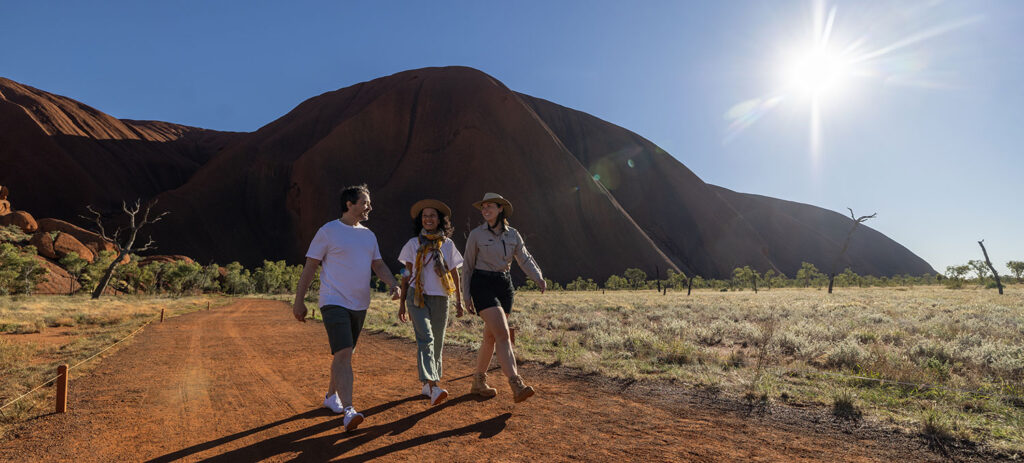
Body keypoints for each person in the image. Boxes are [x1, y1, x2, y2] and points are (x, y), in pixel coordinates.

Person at [293, 184, 400, 432]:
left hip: (360, 303)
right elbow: (310, 267)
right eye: (364, 202)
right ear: (349, 204)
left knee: (345, 354)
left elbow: (379, 265)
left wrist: (393, 283)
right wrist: (299, 300)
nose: (369, 207)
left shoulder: (368, 235)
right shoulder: (328, 231)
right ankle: (349, 410)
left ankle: (331, 396)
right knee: (343, 354)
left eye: (368, 202)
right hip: (334, 301)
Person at [462, 192, 545, 403]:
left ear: (501, 209)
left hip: (504, 286)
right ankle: (516, 384)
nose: (485, 209)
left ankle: (478, 382)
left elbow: (524, 258)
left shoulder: (513, 235)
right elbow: (468, 266)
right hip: (482, 284)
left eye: (490, 206)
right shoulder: (476, 235)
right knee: (502, 333)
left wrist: (538, 277)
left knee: (490, 336)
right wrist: (465, 295)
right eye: (483, 207)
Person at [396, 199, 465, 406]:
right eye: (425, 216)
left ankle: (427, 383)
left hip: (441, 297)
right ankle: (434, 387)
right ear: (421, 220)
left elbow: (454, 274)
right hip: (416, 296)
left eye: (432, 215)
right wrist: (401, 303)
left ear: (439, 220)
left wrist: (459, 301)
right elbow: (406, 273)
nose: (428, 219)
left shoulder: (448, 245)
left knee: (437, 341)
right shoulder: (412, 244)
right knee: (426, 338)